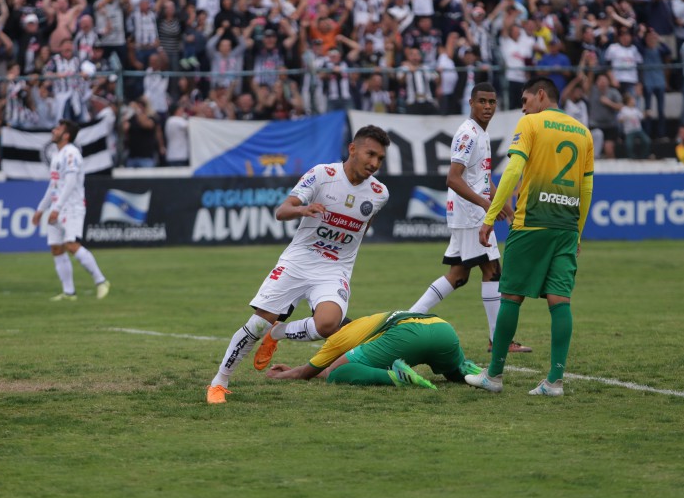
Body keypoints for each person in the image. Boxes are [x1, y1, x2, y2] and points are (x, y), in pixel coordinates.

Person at [206, 125, 391, 404]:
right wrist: (303, 209)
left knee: (328, 324)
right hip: (299, 261)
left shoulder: (379, 193)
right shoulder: (322, 175)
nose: (375, 163)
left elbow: (364, 226)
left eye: (380, 159)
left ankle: (278, 332)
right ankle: (219, 382)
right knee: (257, 325)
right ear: (353, 149)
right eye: (370, 154)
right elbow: (282, 211)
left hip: (334, 269)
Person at [466, 77, 594, 397]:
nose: (522, 107)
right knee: (560, 300)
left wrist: (491, 216)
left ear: (540, 95)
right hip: (566, 226)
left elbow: (512, 171)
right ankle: (555, 381)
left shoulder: (532, 124)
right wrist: (577, 231)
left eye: (525, 100)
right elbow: (586, 188)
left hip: (532, 221)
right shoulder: (583, 132)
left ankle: (493, 376)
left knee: (510, 295)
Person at [409, 83, 531, 354]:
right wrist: (489, 206)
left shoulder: (481, 134)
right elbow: (453, 178)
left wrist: (505, 207)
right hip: (471, 214)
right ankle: (498, 340)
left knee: (458, 274)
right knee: (493, 271)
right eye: (482, 101)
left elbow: (484, 177)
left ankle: (407, 318)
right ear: (471, 103)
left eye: (492, 102)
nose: (488, 107)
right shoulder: (468, 134)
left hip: (471, 213)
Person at [265, 310, 483, 389]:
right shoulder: (364, 323)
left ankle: (396, 377)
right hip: (442, 327)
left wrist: (281, 376)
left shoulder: (338, 337)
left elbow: (309, 374)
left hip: (406, 333)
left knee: (336, 374)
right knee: (454, 375)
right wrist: (293, 368)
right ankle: (478, 374)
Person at [32, 120, 110, 301]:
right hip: (57, 206)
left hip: (72, 207)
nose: (53, 130)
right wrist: (41, 209)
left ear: (66, 135)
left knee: (71, 244)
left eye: (58, 129)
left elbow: (71, 182)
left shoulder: (71, 153)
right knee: (56, 248)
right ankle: (69, 293)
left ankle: (101, 281)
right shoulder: (57, 155)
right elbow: (54, 186)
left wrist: (57, 208)